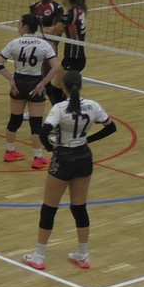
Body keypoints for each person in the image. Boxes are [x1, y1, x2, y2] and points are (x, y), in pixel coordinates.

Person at [23, 70, 116, 271]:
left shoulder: (59, 108)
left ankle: (39, 256)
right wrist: (87, 140)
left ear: (63, 87)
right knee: (79, 207)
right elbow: (111, 128)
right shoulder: (93, 106)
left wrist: (51, 148)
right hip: (84, 157)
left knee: (49, 208)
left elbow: (43, 133)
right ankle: (82, 255)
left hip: (64, 158)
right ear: (80, 85)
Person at [0, 14, 60, 169]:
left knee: (14, 120)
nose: (18, 26)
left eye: (19, 24)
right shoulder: (44, 44)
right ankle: (38, 158)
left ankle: (10, 152)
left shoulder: (14, 43)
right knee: (36, 124)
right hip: (35, 83)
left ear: (25, 26)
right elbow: (55, 68)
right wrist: (42, 84)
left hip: (18, 82)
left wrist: (11, 79)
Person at [43, 0, 87, 105]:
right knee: (62, 90)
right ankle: (68, 111)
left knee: (58, 91)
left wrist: (36, 28)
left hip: (73, 59)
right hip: (76, 57)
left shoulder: (69, 16)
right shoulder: (80, 11)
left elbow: (54, 30)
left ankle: (67, 112)